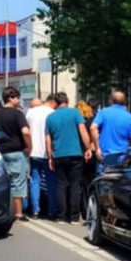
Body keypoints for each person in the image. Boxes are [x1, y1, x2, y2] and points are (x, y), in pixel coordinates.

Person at [45, 92, 91, 224]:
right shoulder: (75, 113)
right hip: (75, 153)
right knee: (75, 185)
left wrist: (50, 156)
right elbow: (83, 132)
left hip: (59, 154)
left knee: (61, 185)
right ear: (67, 101)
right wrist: (88, 148)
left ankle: (61, 216)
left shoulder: (50, 117)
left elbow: (48, 139)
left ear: (55, 102)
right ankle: (74, 217)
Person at [0, 86, 31, 222]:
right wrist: (29, 147)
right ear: (11, 98)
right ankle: (18, 213)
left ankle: (2, 210)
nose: (18, 100)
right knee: (17, 182)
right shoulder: (17, 114)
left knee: (1, 182)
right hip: (16, 152)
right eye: (17, 97)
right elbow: (25, 132)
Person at [25, 95, 57, 220]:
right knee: (51, 182)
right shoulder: (52, 113)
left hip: (33, 152)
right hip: (48, 152)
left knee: (35, 181)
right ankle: (52, 210)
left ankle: (35, 210)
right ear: (52, 102)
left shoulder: (30, 113)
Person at [91, 91, 131, 173]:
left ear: (111, 101)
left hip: (105, 156)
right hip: (123, 157)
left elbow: (93, 128)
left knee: (103, 182)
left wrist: (97, 148)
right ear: (125, 102)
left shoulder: (104, 112)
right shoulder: (130, 118)